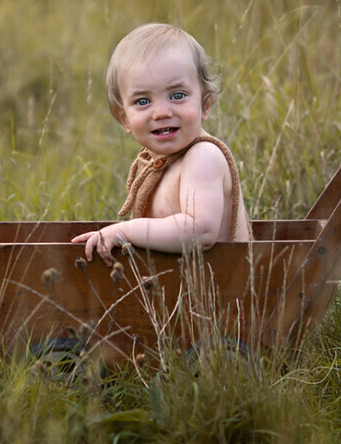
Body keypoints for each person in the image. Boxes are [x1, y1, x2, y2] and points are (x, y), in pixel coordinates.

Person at [72, 23, 251, 264]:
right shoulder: (156, 164)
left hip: (223, 293)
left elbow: (201, 230)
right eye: (143, 101)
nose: (161, 112)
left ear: (205, 105)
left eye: (177, 96)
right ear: (124, 118)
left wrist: (125, 230)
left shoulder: (203, 156)